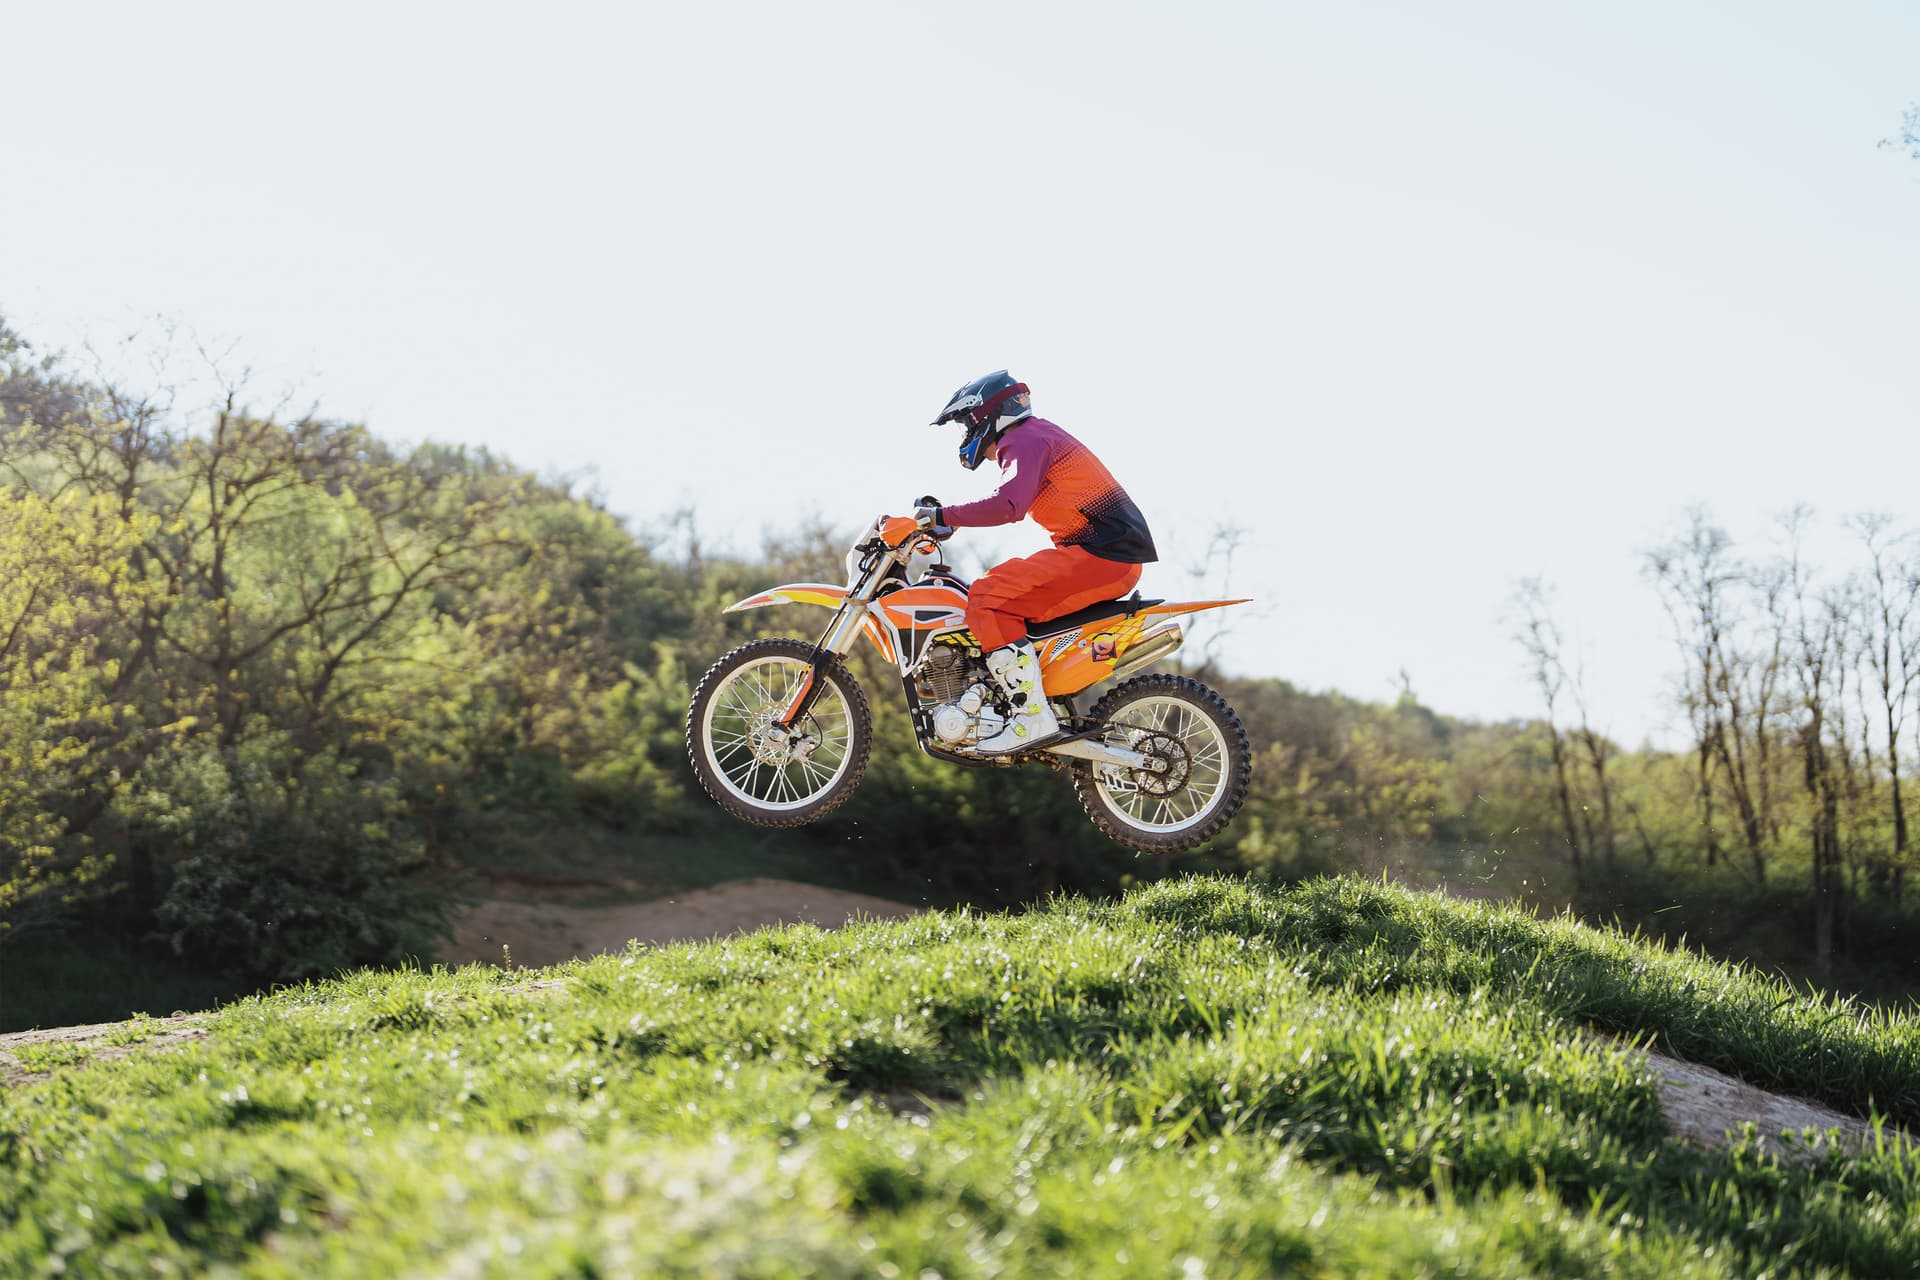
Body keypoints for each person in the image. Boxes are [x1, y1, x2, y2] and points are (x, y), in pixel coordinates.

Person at [915, 370, 1157, 754]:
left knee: (989, 598)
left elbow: (1009, 504)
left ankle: (1031, 718)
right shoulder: (1035, 436)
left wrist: (943, 516)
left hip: (1104, 555)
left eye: (965, 423)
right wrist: (950, 521)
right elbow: (1004, 501)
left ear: (985, 415)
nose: (964, 434)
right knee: (1005, 599)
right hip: (1106, 553)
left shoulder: (1024, 439)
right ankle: (1021, 704)